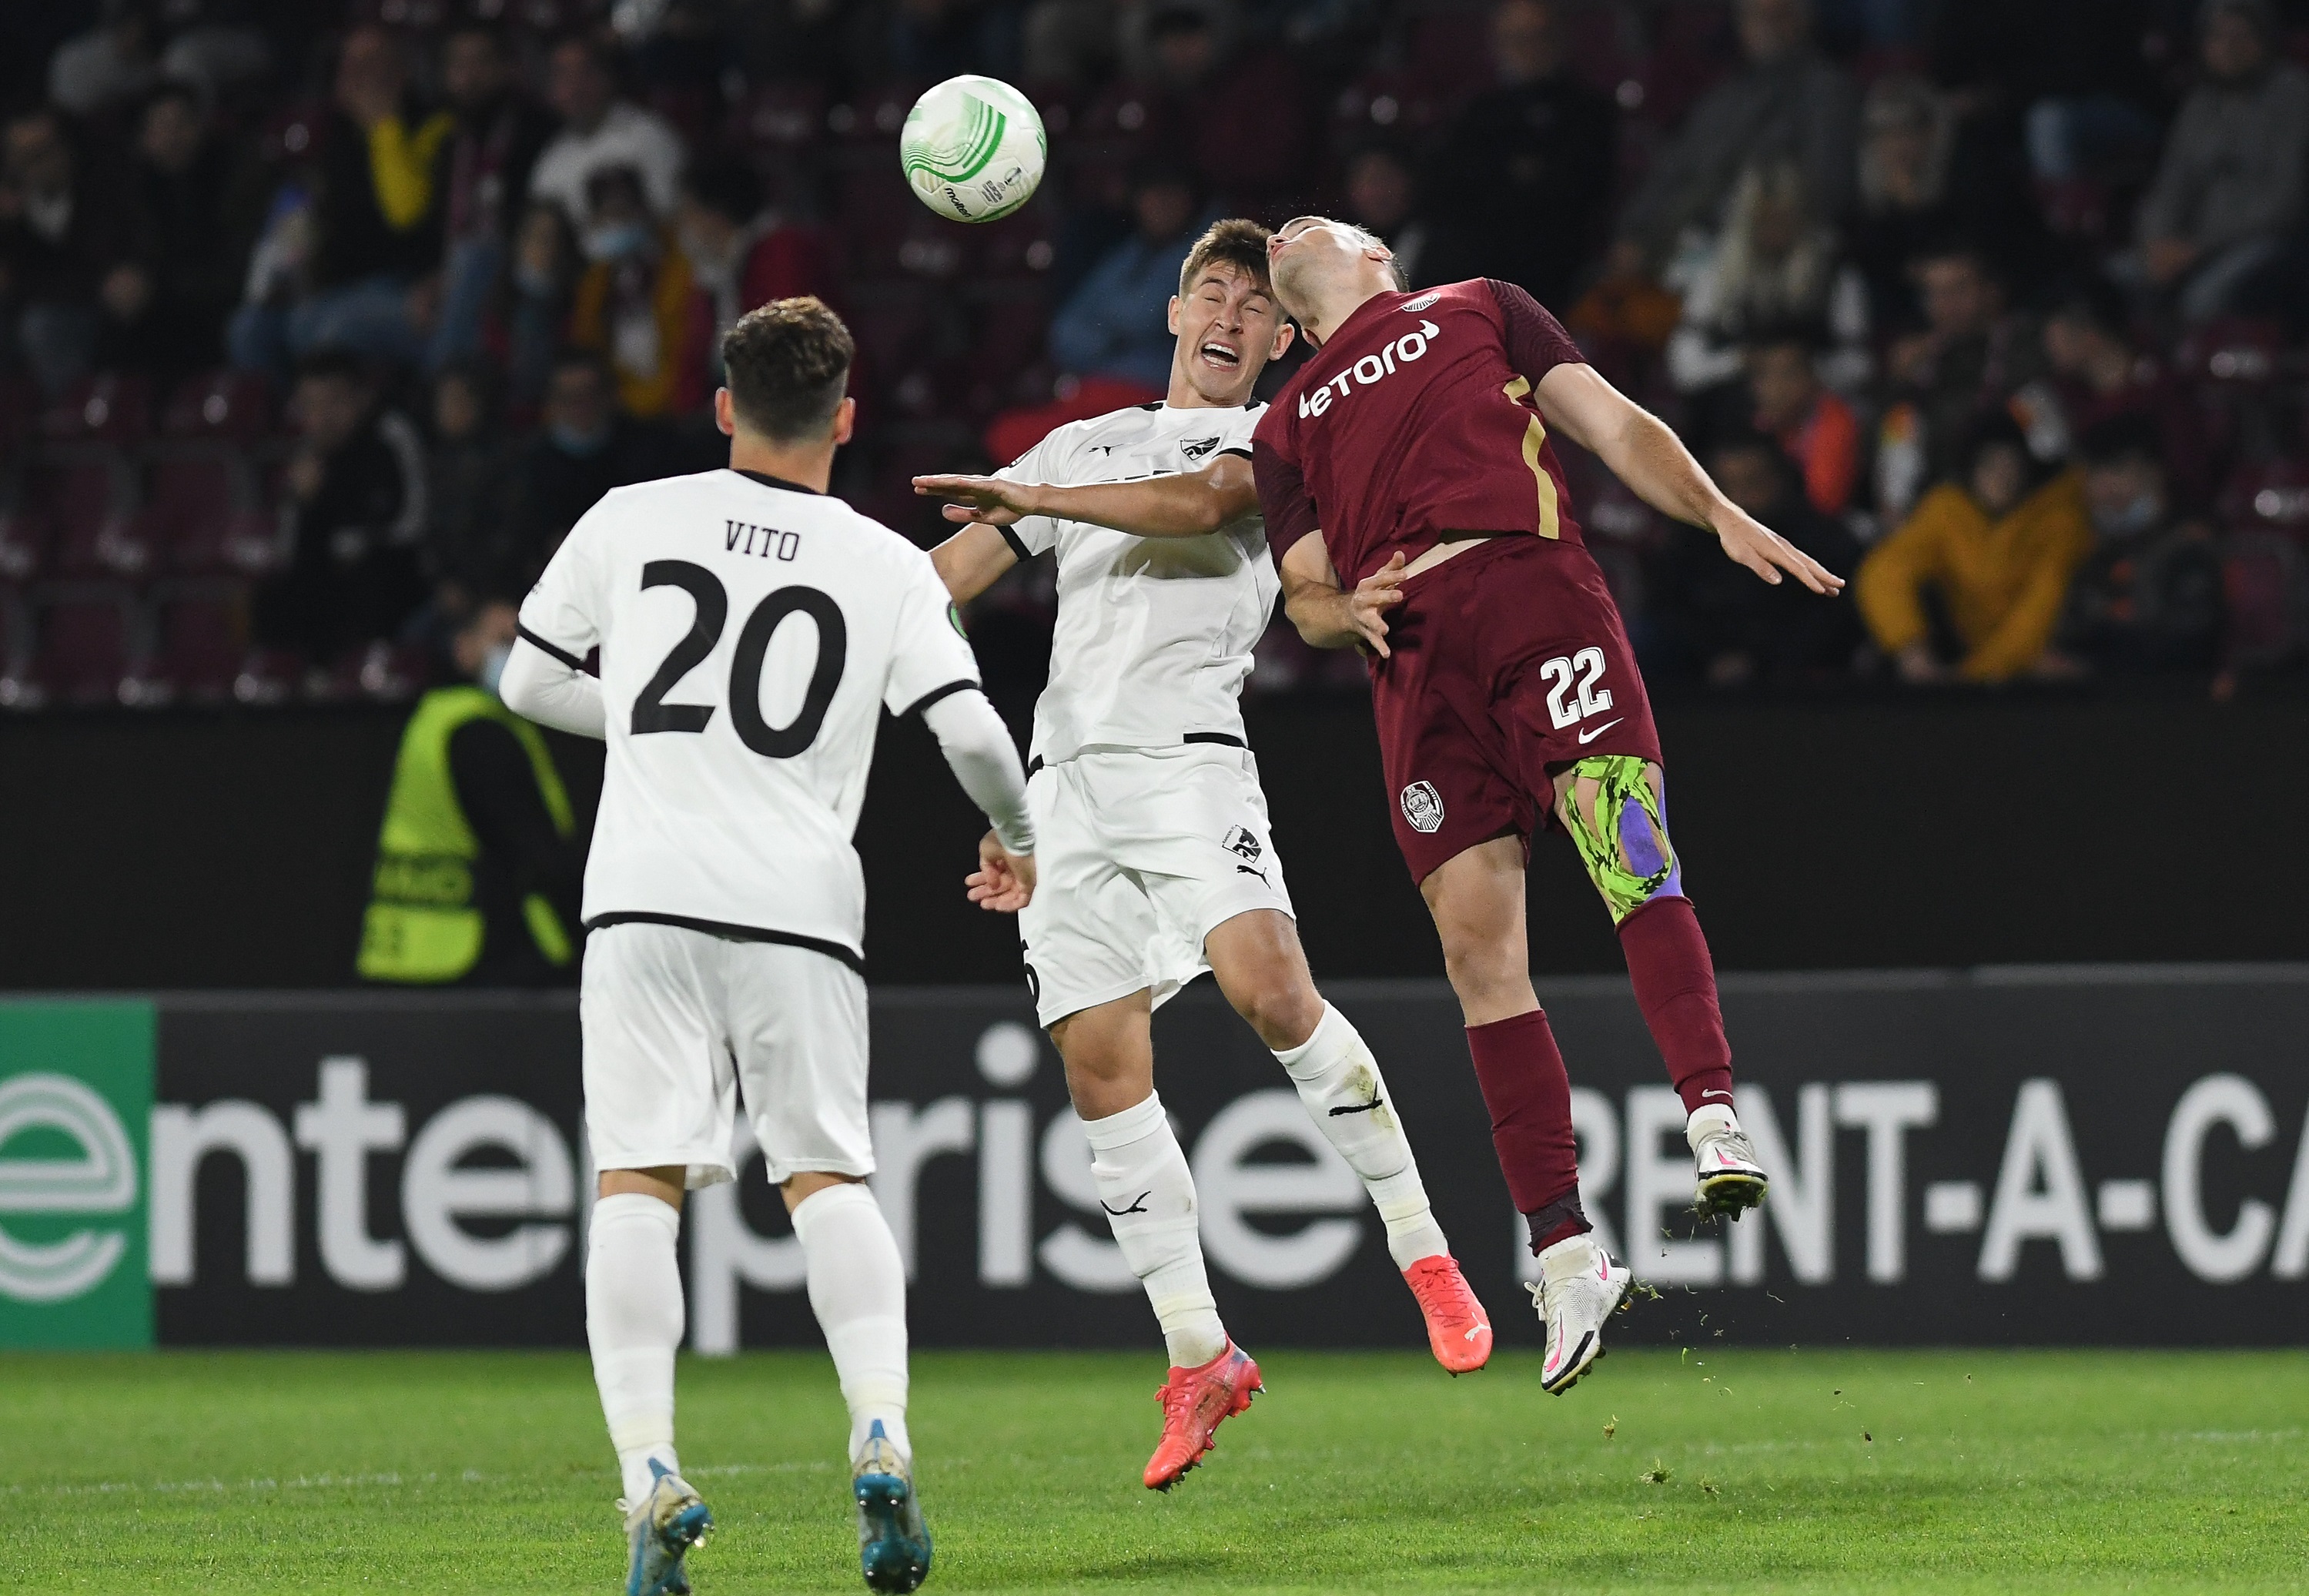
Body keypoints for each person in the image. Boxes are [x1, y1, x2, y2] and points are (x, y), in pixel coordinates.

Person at [912, 220, 1493, 1489]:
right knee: (1100, 1060)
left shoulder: (1279, 438)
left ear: (1281, 339)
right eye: (1208, 293)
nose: (1228, 314)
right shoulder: (1078, 444)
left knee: (1269, 989)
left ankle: (1422, 1248)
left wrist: (1030, 498)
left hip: (1186, 760)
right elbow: (941, 581)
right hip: (1062, 791)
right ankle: (1198, 1353)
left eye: (1252, 303)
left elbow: (1202, 505)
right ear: (1172, 314)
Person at [499, 297, 1036, 1596]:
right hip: (798, 903)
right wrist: (1019, 836)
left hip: (640, 894)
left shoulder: (630, 516)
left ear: (724, 405)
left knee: (636, 1181)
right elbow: (967, 733)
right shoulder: (882, 561)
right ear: (845, 418)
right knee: (824, 1177)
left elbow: (524, 680)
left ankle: (648, 1475)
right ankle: (880, 1435)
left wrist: (647, 722)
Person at [1252, 218, 1842, 1393]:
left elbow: (1612, 423)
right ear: (1285, 326)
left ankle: (1712, 1116)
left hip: (1529, 592)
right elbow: (1302, 591)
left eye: (1323, 221)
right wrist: (1339, 616)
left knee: (1627, 850)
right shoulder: (1283, 423)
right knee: (1480, 959)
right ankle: (1565, 1254)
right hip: (1410, 660)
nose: (1294, 225)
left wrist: (1714, 508)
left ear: (1379, 256)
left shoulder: (1476, 303)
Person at [357, 600, 583, 988]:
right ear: (463, 648)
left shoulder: (431, 718)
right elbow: (538, 853)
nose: (515, 654)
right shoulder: (480, 733)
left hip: (401, 946)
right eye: (502, 641)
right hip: (474, 955)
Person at [1611, 0, 1858, 274]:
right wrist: (1635, 231)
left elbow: (1827, 186)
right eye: (1757, 17)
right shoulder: (1723, 97)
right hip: (1688, 245)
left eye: (1780, 16)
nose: (1768, 27)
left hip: (1765, 251)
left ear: (1804, 21)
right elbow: (1672, 170)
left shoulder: (1826, 91)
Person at [1856, 413, 2093, 685]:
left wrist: (1970, 678)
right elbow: (1884, 572)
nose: (2003, 476)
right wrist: (1911, 651)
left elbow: (2037, 615)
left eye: (2012, 463)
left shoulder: (2058, 519)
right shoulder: (1948, 512)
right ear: (1971, 469)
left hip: (2036, 667)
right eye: (1991, 464)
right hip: (1975, 668)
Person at [249, 349, 428, 696]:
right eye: (311, 405)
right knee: (272, 597)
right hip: (331, 577)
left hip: (391, 568)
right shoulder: (308, 458)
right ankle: (289, 687)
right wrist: (306, 503)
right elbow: (290, 548)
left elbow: (413, 522)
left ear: (361, 398)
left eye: (333, 403)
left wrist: (356, 542)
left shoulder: (391, 435)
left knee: (372, 580)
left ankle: (367, 682)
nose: (322, 417)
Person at [1422, 0, 1616, 309]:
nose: (1528, 49)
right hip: (1480, 272)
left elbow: (1575, 193)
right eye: (1516, 39)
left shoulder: (1589, 112)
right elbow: (1452, 192)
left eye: (1539, 37)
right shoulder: (1476, 113)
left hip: (1561, 273)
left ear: (1560, 39)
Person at [2129, 0, 2309, 324]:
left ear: (2264, 39)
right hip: (2189, 246)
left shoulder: (2294, 98)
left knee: (2203, 301)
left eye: (2240, 37)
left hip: (2262, 241)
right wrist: (2158, 240)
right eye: (2218, 38)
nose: (2229, 48)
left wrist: (2198, 246)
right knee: (2119, 278)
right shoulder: (2199, 106)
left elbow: (2286, 200)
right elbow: (2170, 187)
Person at [1672, 431, 1863, 685]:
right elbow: (1673, 610)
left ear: (1778, 479)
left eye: (1752, 484)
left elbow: (1835, 620)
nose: (1738, 499)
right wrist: (1713, 655)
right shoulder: (1693, 542)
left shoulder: (1823, 542)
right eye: (1726, 487)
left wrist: (1759, 661)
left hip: (1800, 686)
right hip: (1701, 683)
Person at [2051, 416, 2225, 677]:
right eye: (2096, 474)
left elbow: (2189, 645)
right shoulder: (2088, 553)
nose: (2106, 488)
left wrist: (2094, 663)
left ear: (2155, 473)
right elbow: (2067, 631)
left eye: (2119, 470)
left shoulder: (2188, 548)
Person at [0, 105, 151, 394]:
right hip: (32, 311)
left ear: (66, 149)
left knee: (43, 325)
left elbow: (111, 273)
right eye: (23, 159)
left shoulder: (102, 192)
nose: (34, 167)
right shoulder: (11, 216)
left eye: (43, 153)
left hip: (97, 315)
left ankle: (70, 420)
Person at [430, 21, 554, 369]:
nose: (469, 76)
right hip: (448, 273)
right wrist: (429, 278)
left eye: (481, 62)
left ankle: (444, 385)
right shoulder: (444, 136)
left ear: (506, 69)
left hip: (512, 267)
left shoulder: (535, 129)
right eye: (458, 65)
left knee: (475, 257)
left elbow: (538, 221)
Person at [128, 77, 267, 374]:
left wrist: (160, 288)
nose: (173, 137)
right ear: (145, 138)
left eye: (182, 124)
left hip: (227, 303)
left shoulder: (235, 172)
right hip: (167, 309)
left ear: (202, 126)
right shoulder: (135, 188)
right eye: (161, 128)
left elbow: (240, 266)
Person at [1046, 162, 1211, 394]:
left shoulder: (1209, 254)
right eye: (1152, 196)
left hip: (1160, 394)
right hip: (1100, 387)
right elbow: (1064, 332)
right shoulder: (1131, 251)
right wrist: (1111, 337)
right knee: (1012, 430)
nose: (1161, 206)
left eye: (1171, 195)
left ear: (1191, 200)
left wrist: (1102, 329)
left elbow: (1143, 315)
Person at [566, 165, 711, 419]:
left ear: (644, 210)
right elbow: (586, 343)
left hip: (675, 407)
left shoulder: (681, 267)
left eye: (624, 212)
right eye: (608, 216)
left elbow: (688, 342)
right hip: (616, 410)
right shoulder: (593, 283)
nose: (617, 224)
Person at [527, 33, 685, 232]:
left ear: (607, 76)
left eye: (585, 72)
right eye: (563, 76)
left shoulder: (649, 136)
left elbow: (677, 217)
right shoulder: (550, 163)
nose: (576, 87)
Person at [1745, 332, 1860, 518]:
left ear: (1812, 378)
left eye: (1787, 375)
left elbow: (1826, 501)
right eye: (1764, 375)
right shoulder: (1754, 423)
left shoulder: (1835, 420)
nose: (1774, 388)